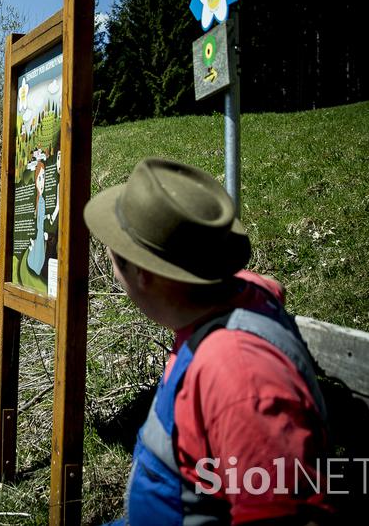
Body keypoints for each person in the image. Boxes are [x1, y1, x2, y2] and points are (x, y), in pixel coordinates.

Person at [83, 157, 334, 525]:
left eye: (117, 252)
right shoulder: (235, 295)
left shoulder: (239, 376)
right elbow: (268, 285)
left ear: (144, 274)